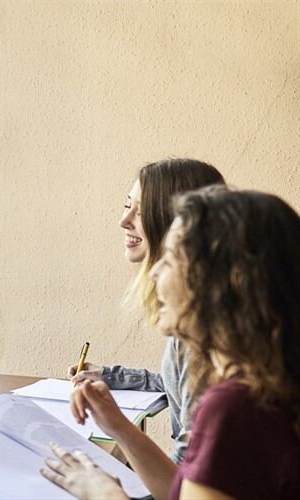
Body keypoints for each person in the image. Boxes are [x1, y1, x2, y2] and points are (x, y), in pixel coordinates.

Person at [43, 188, 300, 499]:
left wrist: (103, 492)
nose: (153, 273)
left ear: (226, 281)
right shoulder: (269, 387)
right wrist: (120, 428)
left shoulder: (236, 407)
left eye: (172, 258)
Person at [68, 158, 224, 462]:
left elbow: (189, 472)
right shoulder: (199, 313)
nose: (124, 221)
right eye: (127, 206)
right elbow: (180, 386)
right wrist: (111, 376)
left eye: (139, 211)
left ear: (177, 221)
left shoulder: (200, 331)